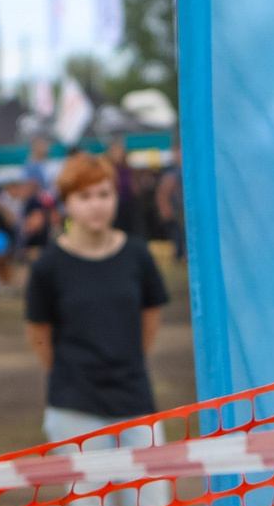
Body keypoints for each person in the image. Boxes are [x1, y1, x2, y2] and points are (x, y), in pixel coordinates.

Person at [26, 151, 168, 442]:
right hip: (74, 406)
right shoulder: (48, 266)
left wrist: (129, 360)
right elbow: (39, 333)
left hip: (134, 397)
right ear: (66, 202)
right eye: (84, 196)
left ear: (116, 196)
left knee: (154, 473)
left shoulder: (138, 255)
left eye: (104, 194)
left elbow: (150, 317)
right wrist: (69, 375)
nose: (96, 205)